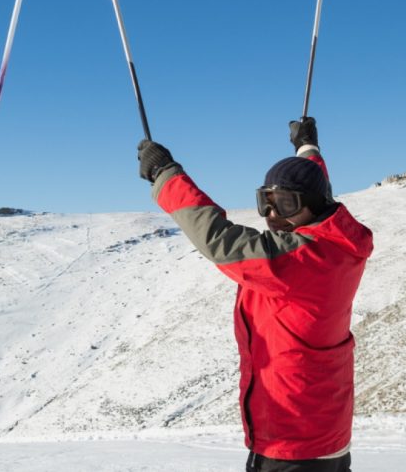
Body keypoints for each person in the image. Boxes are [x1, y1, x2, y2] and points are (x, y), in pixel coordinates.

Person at [136, 118, 373, 472]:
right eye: (266, 202)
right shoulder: (336, 240)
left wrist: (166, 175)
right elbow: (318, 185)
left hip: (292, 442)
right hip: (321, 432)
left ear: (312, 205)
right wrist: (307, 148)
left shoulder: (302, 260)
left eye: (286, 204)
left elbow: (220, 241)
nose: (273, 215)